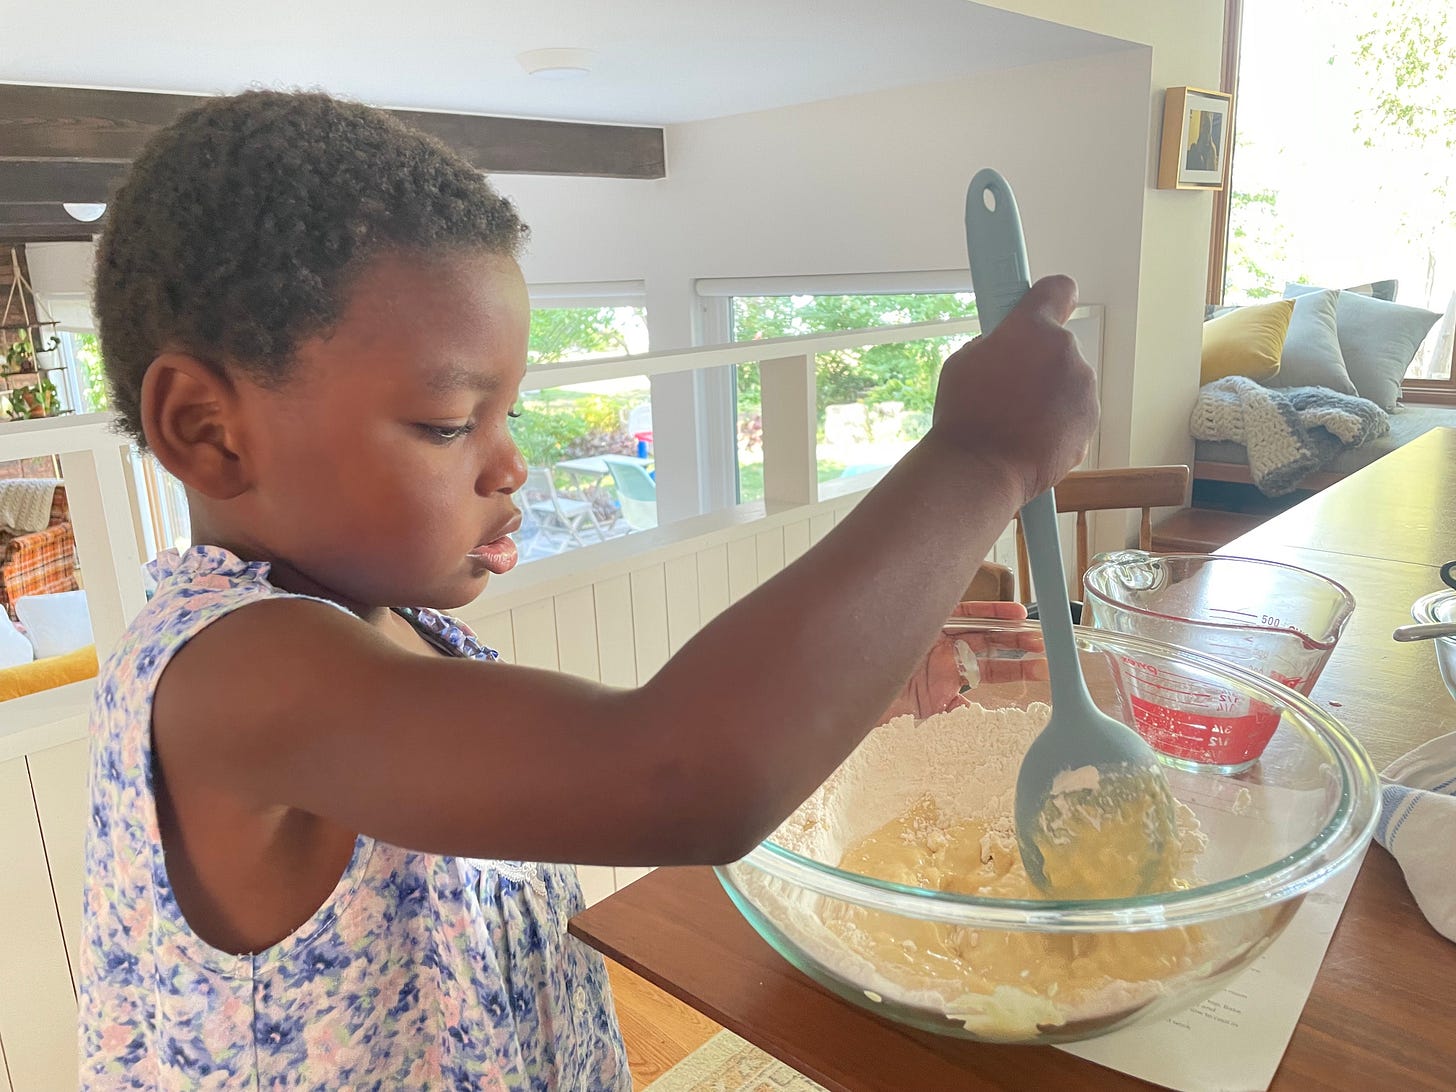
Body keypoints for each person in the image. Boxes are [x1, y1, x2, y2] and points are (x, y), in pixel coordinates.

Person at [78, 91, 1097, 1090]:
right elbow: (679, 773)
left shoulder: (377, 628)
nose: (508, 464)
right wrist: (979, 458)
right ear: (208, 430)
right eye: (446, 423)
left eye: (505, 414)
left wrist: (866, 683)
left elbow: (663, 740)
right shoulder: (236, 676)